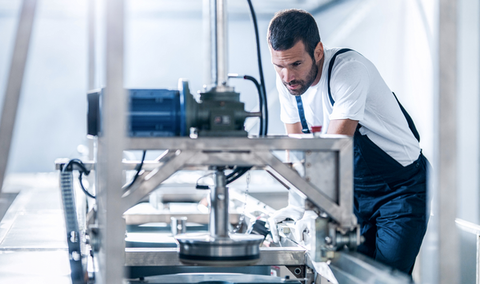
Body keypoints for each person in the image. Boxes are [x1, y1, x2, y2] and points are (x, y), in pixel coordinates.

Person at [267, 9, 428, 274]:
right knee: (351, 274)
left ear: (318, 51)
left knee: (386, 277)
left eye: (296, 64)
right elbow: (297, 148)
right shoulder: (289, 82)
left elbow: (334, 151)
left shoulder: (348, 70)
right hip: (354, 192)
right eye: (279, 66)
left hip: (399, 190)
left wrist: (312, 211)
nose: (287, 77)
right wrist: (296, 206)